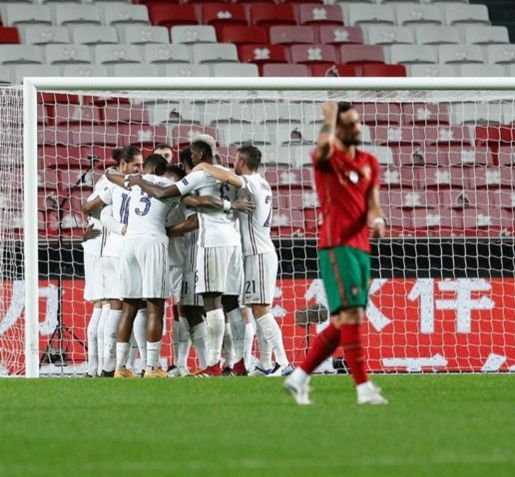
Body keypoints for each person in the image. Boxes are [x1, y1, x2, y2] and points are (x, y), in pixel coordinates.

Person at [283, 101, 388, 405]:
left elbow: (373, 202)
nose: (358, 127)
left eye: (358, 122)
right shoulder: (328, 158)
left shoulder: (369, 160)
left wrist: (377, 219)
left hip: (361, 247)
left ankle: (299, 377)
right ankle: (364, 389)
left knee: (346, 321)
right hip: (336, 245)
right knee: (351, 315)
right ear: (339, 128)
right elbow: (323, 149)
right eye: (351, 123)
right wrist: (328, 119)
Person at [127, 135, 248, 377]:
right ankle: (238, 362)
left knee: (210, 304)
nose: (189, 160)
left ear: (201, 155)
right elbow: (231, 195)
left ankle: (212, 364)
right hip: (234, 241)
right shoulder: (229, 174)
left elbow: (165, 193)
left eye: (192, 155)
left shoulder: (200, 174)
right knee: (232, 305)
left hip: (211, 241)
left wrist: (139, 181)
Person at [193, 145, 293, 377]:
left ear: (243, 162)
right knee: (258, 309)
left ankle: (284, 363)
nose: (233, 164)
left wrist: (204, 165)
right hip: (258, 253)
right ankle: (264, 364)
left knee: (261, 310)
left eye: (236, 160)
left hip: (258, 254)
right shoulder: (264, 183)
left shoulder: (251, 182)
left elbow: (228, 177)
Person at [105, 154, 174, 378]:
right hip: (152, 242)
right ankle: (152, 368)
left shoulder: (134, 182)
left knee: (129, 307)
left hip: (129, 243)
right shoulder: (169, 184)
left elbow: (110, 174)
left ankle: (120, 367)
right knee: (155, 306)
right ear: (163, 169)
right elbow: (190, 203)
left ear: (147, 167)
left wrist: (125, 175)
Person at [82, 146, 143, 377]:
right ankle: (108, 368)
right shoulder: (114, 181)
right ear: (123, 165)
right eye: (135, 164)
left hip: (101, 248)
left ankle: (95, 368)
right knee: (112, 306)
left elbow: (87, 207)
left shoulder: (112, 179)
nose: (139, 168)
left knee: (102, 307)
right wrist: (95, 223)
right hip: (107, 249)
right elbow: (87, 206)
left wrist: (91, 222)